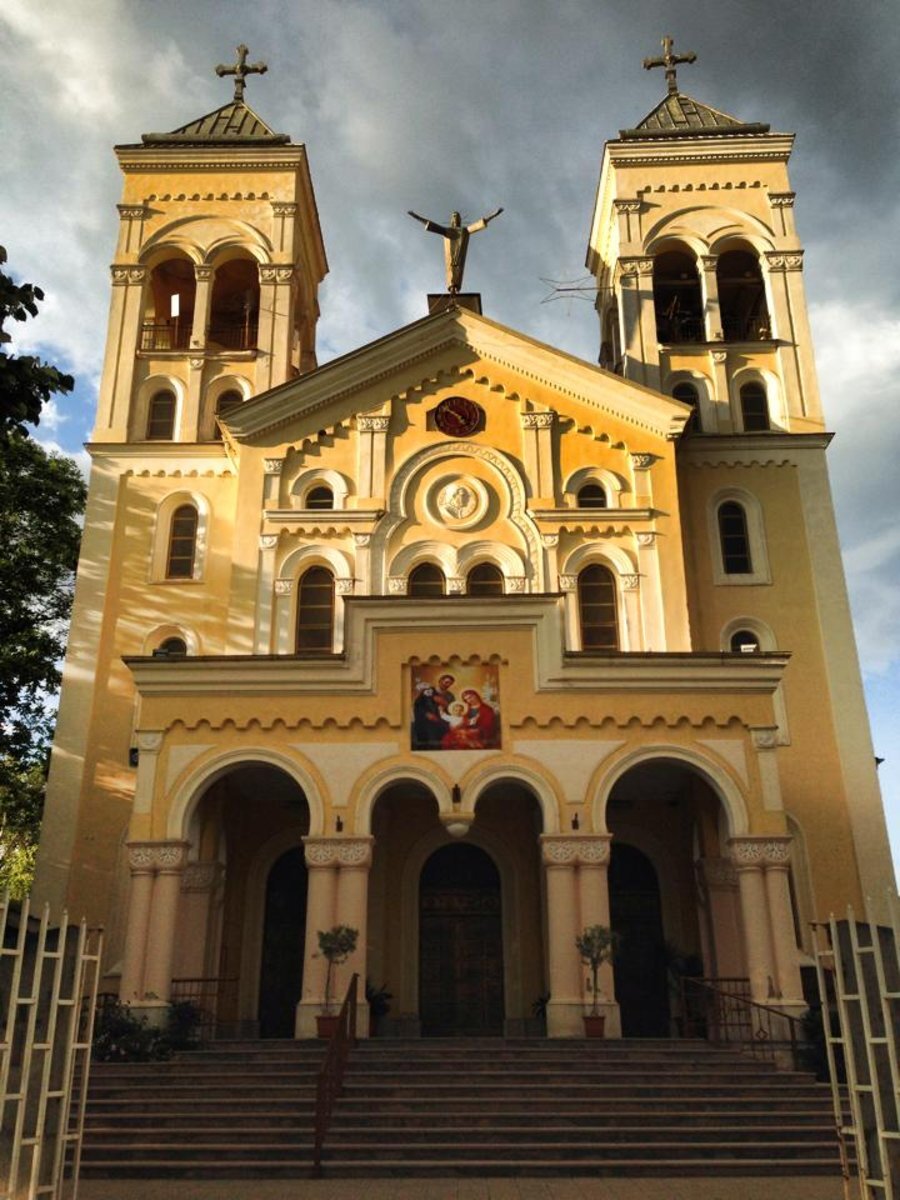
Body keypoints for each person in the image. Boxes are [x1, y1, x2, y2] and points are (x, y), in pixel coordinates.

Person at [408, 208, 503, 293]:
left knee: (458, 268)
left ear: (460, 220)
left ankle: (455, 288)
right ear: (451, 220)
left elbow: (478, 224)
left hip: (459, 255)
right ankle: (452, 287)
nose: (455, 218)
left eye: (457, 217)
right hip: (450, 255)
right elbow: (431, 225)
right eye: (453, 216)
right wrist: (417, 217)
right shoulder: (447, 231)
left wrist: (493, 215)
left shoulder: (464, 230)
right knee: (450, 268)